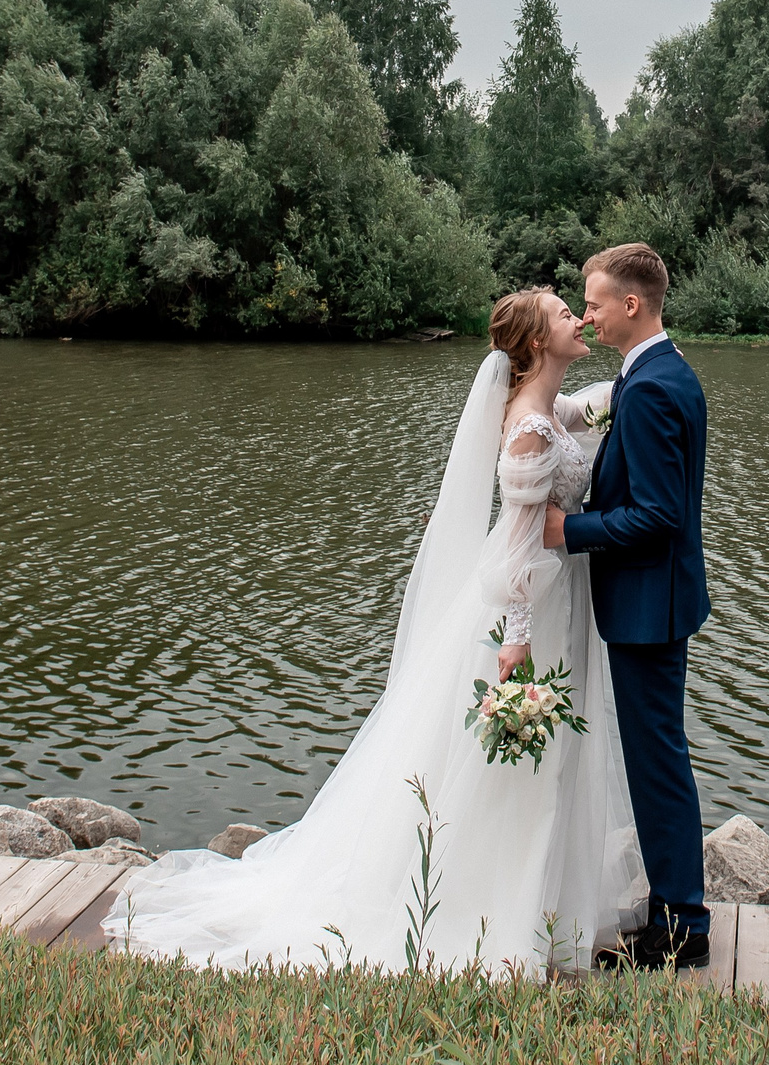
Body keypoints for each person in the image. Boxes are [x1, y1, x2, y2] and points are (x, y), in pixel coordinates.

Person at [104, 286, 642, 975]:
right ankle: (486, 916)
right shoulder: (531, 428)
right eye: (567, 313)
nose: (579, 318)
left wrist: (637, 370)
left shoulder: (550, 410)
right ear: (537, 342)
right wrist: (517, 638)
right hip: (527, 612)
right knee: (511, 770)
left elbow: (590, 404)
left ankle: (541, 909)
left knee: (544, 765)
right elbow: (513, 551)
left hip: (558, 599)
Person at [545, 241, 713, 970]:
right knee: (660, 758)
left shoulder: (647, 389)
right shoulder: (657, 374)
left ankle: (681, 929)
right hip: (660, 598)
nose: (587, 314)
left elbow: (656, 514)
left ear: (631, 304)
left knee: (656, 764)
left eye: (594, 302)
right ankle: (675, 910)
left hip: (648, 603)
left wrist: (566, 529)